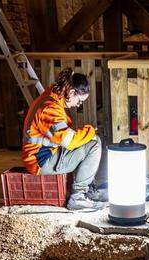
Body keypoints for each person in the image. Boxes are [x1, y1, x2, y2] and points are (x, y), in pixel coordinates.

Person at [22, 68, 106, 211]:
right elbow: (69, 141)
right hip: (41, 162)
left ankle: (87, 190)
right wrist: (90, 130)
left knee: (88, 141)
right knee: (94, 143)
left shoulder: (53, 97)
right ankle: (78, 197)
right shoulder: (50, 109)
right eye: (79, 101)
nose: (78, 105)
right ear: (72, 93)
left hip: (45, 154)